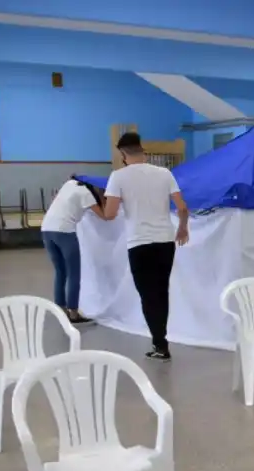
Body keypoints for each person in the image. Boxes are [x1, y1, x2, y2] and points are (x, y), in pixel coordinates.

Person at [102, 132, 190, 361]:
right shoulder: (165, 173)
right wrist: (183, 228)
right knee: (161, 292)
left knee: (148, 295)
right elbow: (182, 207)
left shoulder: (118, 176)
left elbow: (109, 214)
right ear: (143, 151)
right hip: (165, 241)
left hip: (139, 243)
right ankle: (161, 341)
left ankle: (160, 344)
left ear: (123, 154)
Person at [40, 176, 105, 324]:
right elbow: (105, 216)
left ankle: (60, 310)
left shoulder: (69, 184)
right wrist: (102, 199)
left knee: (60, 271)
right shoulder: (87, 194)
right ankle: (74, 313)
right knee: (74, 273)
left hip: (46, 229)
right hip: (64, 232)